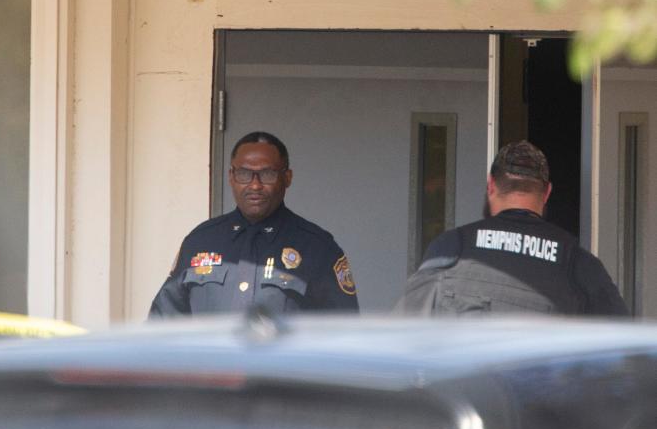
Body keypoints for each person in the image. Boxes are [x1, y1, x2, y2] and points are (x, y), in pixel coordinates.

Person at [398, 140, 628, 316]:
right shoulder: (578, 264)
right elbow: (624, 354)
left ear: (490, 185)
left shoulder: (450, 248)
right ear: (546, 193)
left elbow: (405, 337)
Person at [150, 131, 359, 317]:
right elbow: (163, 325)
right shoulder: (200, 241)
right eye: (244, 174)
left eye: (267, 174)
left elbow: (343, 335)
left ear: (287, 178)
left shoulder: (317, 248)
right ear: (231, 177)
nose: (255, 185)